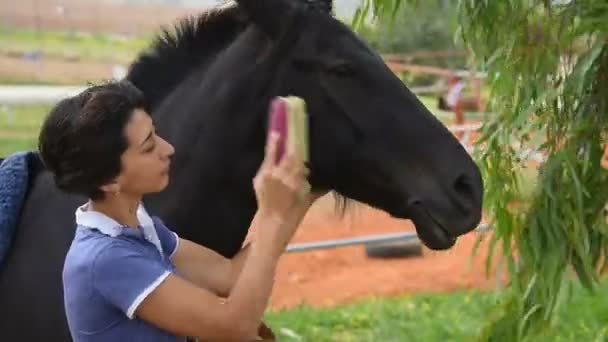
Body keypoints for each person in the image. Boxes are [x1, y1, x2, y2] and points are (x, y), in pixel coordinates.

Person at [37, 80, 325, 341]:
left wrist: (303, 196)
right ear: (109, 180)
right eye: (149, 147)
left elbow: (230, 276)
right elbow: (235, 327)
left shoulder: (138, 229)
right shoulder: (106, 259)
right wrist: (271, 215)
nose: (168, 148)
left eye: (156, 134)